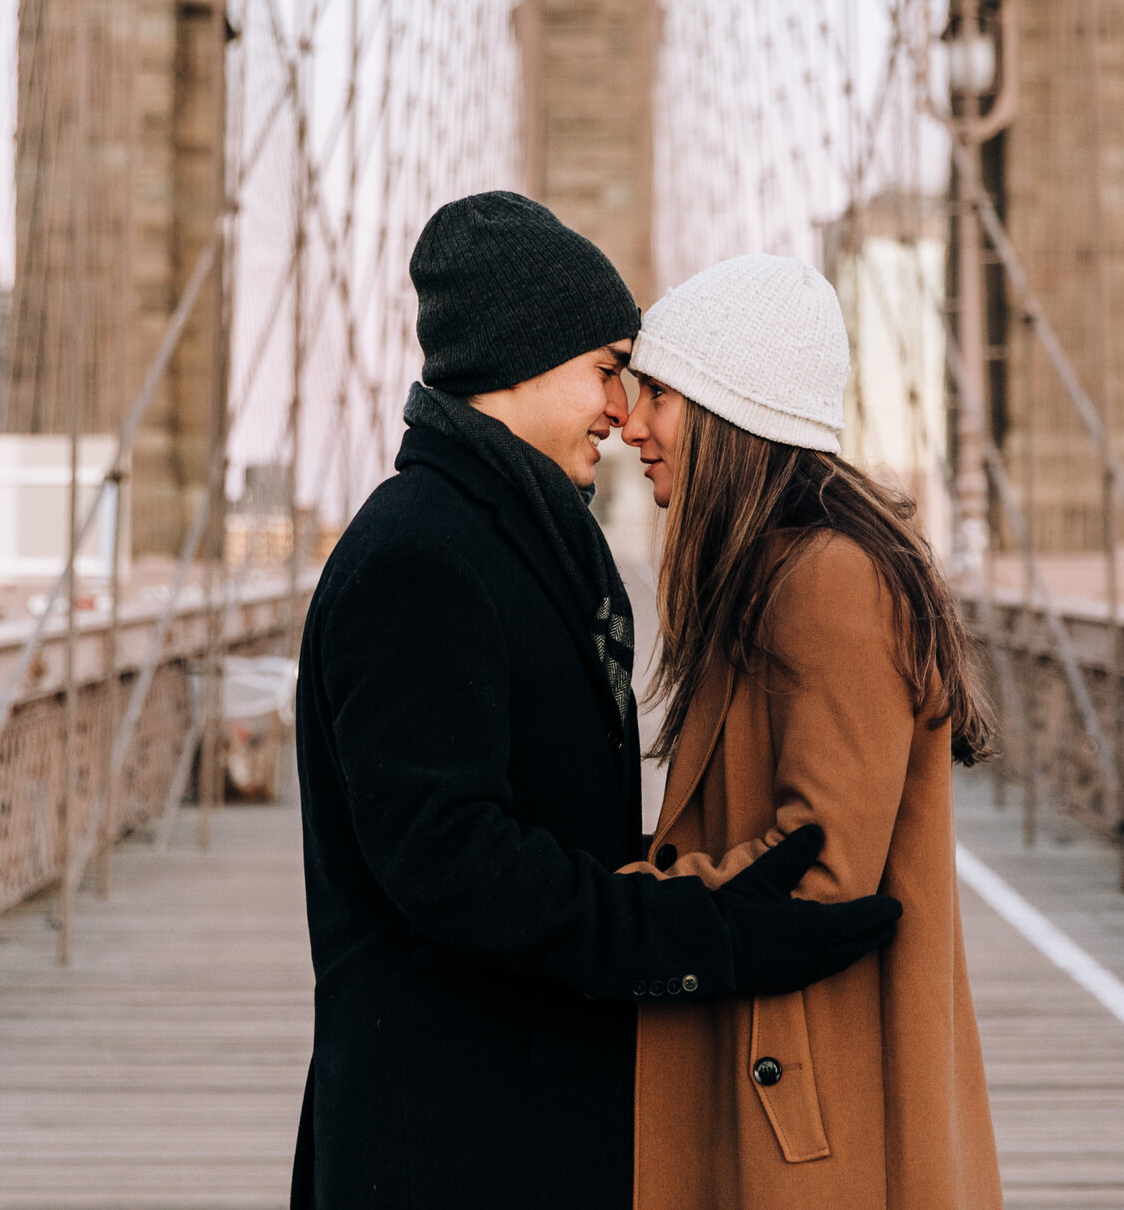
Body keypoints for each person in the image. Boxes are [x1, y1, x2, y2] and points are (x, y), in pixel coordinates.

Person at [291, 193, 904, 1210]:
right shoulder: (417, 556)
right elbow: (456, 866)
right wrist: (706, 933)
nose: (621, 415)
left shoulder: (511, 539)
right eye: (607, 369)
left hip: (522, 1117)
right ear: (519, 361)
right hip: (442, 1141)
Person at [619, 252, 1004, 1209]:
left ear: (725, 411)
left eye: (657, 395)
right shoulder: (771, 576)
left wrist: (615, 904)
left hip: (814, 1111)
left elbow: (822, 873)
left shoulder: (827, 581)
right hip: (787, 1080)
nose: (632, 425)